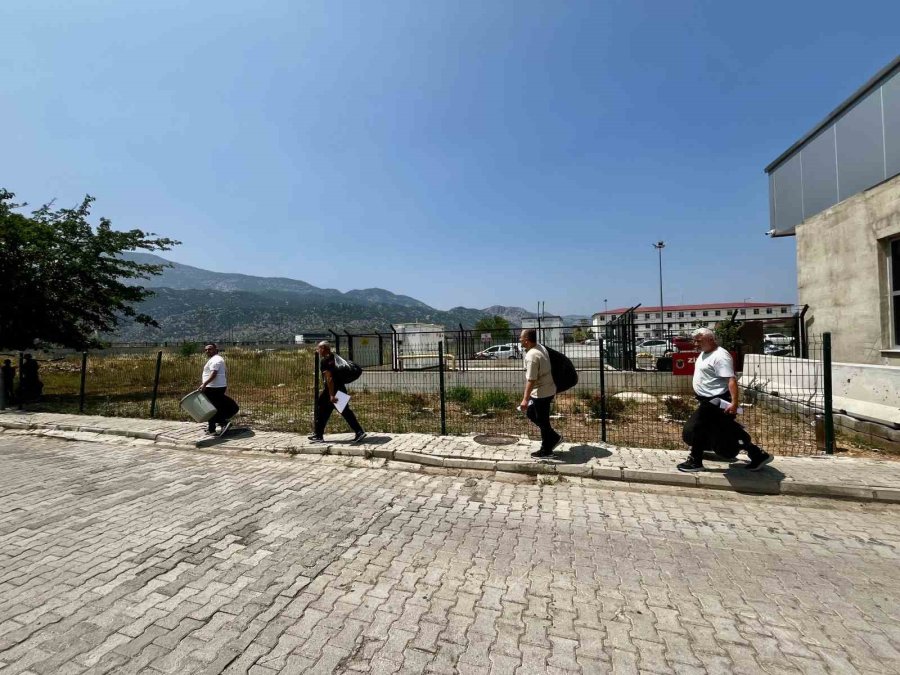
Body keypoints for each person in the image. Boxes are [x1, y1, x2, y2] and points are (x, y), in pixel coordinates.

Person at [677, 328, 773, 472]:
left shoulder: (720, 356)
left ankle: (695, 461)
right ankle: (757, 455)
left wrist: (734, 403)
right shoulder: (705, 353)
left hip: (716, 400)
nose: (695, 344)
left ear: (710, 339)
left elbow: (731, 380)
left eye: (699, 341)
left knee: (696, 428)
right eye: (695, 341)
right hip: (706, 400)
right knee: (725, 428)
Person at [309, 341, 366, 443]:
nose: (318, 351)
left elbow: (329, 379)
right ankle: (318, 434)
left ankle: (359, 432)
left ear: (324, 349)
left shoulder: (325, 361)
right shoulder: (334, 357)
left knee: (342, 411)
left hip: (332, 391)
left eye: (319, 348)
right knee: (325, 411)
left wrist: (331, 395)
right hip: (340, 388)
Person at [518, 329, 562, 458]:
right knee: (533, 414)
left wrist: (525, 399)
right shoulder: (540, 347)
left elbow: (531, 380)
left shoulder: (532, 356)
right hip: (548, 389)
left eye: (521, 338)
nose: (519, 340)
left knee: (542, 421)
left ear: (526, 340)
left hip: (541, 393)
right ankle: (553, 438)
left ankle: (547, 449)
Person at [200, 343, 231, 436]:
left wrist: (204, 384)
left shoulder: (216, 360)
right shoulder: (215, 359)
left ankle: (221, 423)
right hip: (215, 387)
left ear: (216, 350)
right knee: (214, 407)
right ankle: (213, 427)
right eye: (206, 350)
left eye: (210, 349)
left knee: (211, 408)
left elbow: (214, 373)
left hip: (213, 388)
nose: (207, 351)